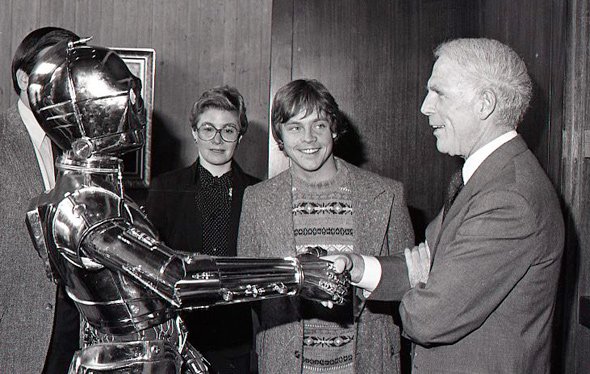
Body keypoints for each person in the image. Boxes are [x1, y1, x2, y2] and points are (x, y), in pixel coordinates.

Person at [25, 39, 348, 373]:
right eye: (126, 97)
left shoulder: (86, 195)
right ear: (87, 112)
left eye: (228, 130)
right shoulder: (83, 206)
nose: (137, 108)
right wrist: (296, 272)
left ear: (240, 135)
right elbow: (176, 279)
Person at [332, 38, 565, 373]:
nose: (426, 106)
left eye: (438, 93)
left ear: (484, 103)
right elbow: (429, 259)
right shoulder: (484, 176)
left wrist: (423, 282)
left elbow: (429, 319)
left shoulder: (508, 198)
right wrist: (359, 268)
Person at [238, 79, 415, 373]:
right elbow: (250, 292)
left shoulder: (386, 195)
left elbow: (410, 279)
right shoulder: (257, 200)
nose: (309, 138)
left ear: (334, 128)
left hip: (368, 361)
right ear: (279, 136)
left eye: (318, 125)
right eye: (295, 127)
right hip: (286, 364)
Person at [146, 86, 259, 373]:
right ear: (194, 132)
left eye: (228, 131)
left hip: (239, 338)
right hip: (179, 336)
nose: (218, 139)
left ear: (241, 136)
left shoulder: (261, 192)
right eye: (208, 129)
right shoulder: (165, 187)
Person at [0, 26, 80, 374]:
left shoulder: (77, 145)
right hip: (12, 330)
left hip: (70, 329)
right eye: (55, 69)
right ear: (22, 77)